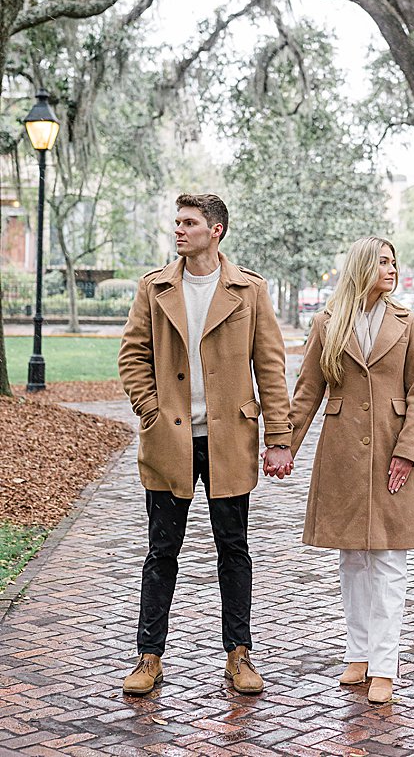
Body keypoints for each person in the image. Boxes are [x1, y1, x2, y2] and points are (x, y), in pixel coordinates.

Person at [118, 193, 294, 696]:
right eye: (177, 222)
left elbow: (271, 367)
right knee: (161, 551)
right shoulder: (154, 288)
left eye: (189, 223)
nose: (179, 230)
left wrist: (278, 437)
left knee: (233, 549)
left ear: (215, 230)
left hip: (228, 439)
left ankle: (239, 654)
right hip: (169, 439)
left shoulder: (249, 290)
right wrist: (150, 409)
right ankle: (149, 657)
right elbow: (132, 356)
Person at [285, 235, 414, 704]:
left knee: (389, 561)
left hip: (393, 453)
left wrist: (407, 451)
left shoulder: (406, 322)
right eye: (384, 263)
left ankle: (386, 665)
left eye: (394, 262)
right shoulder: (327, 322)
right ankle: (359, 655)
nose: (392, 269)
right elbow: (308, 390)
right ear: (362, 267)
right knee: (351, 558)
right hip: (343, 454)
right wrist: (282, 446)